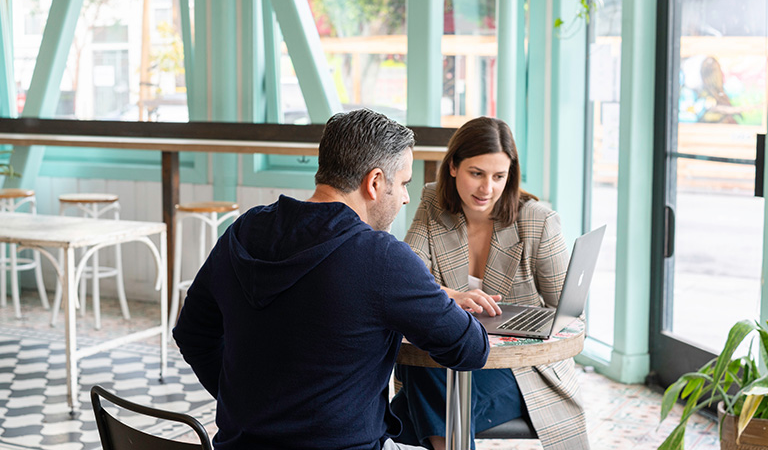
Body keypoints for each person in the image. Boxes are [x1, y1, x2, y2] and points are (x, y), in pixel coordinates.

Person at [172, 108, 491, 450]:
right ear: (375, 182)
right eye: (402, 183)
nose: (406, 197)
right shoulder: (382, 258)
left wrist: (244, 408)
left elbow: (191, 333)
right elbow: (471, 349)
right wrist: (436, 296)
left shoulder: (244, 231)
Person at [390, 117, 589, 450]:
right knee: (429, 365)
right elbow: (404, 282)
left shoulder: (538, 221)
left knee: (391, 417)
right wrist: (452, 296)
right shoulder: (433, 203)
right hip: (450, 359)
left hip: (522, 370)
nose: (487, 189)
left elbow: (569, 317)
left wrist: (517, 331)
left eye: (499, 176)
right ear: (453, 166)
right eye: (476, 173)